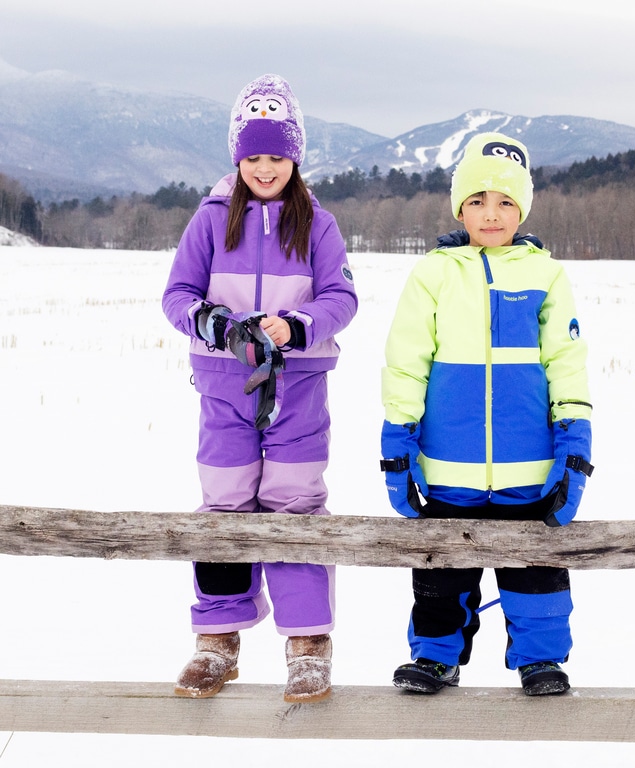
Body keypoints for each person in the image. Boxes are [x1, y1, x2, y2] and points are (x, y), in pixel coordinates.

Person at [162, 74, 357, 703]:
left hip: (298, 388)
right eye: (253, 156)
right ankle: (217, 640)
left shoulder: (318, 225)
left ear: (294, 158)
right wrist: (215, 323)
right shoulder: (211, 220)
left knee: (295, 502)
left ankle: (308, 643)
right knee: (224, 504)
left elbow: (342, 298)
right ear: (236, 158)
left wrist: (297, 327)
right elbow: (176, 297)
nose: (265, 168)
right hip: (225, 386)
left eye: (277, 156)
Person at [380, 132, 593, 697]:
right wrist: (397, 438)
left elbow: (567, 362)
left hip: (529, 467)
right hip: (449, 466)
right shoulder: (434, 273)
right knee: (441, 569)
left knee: (536, 568)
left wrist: (575, 442)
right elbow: (406, 362)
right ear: (459, 207)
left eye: (504, 202)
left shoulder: (545, 275)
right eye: (476, 201)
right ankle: (434, 657)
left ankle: (540, 660)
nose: (491, 214)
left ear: (522, 208)